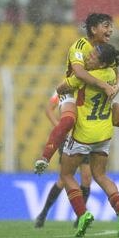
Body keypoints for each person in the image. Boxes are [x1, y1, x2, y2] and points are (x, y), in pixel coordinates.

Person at [35, 13, 119, 179]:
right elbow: (78, 73)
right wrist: (104, 85)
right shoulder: (79, 46)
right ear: (93, 29)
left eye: (111, 26)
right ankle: (45, 158)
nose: (111, 30)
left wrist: (117, 86)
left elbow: (116, 75)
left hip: (93, 97)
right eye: (106, 26)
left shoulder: (105, 51)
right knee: (68, 121)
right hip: (71, 91)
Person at [56, 43, 119, 237]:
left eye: (93, 57)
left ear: (102, 62)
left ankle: (82, 214)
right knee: (100, 175)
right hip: (104, 134)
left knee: (66, 175)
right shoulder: (111, 75)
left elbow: (61, 88)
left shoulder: (84, 78)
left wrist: (68, 83)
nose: (88, 57)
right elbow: (117, 78)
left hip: (83, 134)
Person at [34, 92, 92, 228]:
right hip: (68, 140)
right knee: (64, 179)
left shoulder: (86, 88)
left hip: (84, 138)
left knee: (87, 177)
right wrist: (61, 128)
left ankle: (80, 217)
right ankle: (43, 214)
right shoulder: (63, 89)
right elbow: (49, 109)